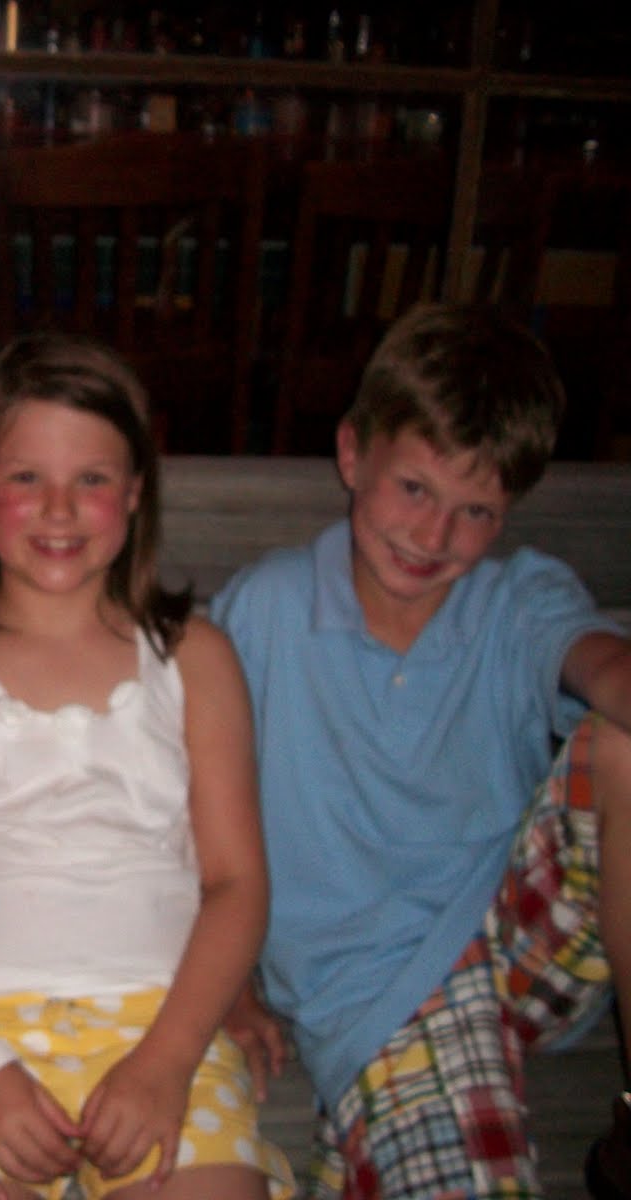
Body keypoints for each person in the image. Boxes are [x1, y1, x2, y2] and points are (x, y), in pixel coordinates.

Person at [209, 303, 631, 1199]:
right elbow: (190, 801)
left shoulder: (517, 601)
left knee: (621, 743)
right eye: (414, 489)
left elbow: (600, 665)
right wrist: (228, 987)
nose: (434, 538)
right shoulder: (267, 611)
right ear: (352, 454)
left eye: (475, 511)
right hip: (374, 986)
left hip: (524, 938)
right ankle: (380, 1136)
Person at [0, 331, 294, 1200]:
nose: (58, 510)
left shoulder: (196, 659)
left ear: (135, 493)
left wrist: (169, 1059)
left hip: (163, 1028)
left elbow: (237, 882)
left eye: (91, 479)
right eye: (27, 477)